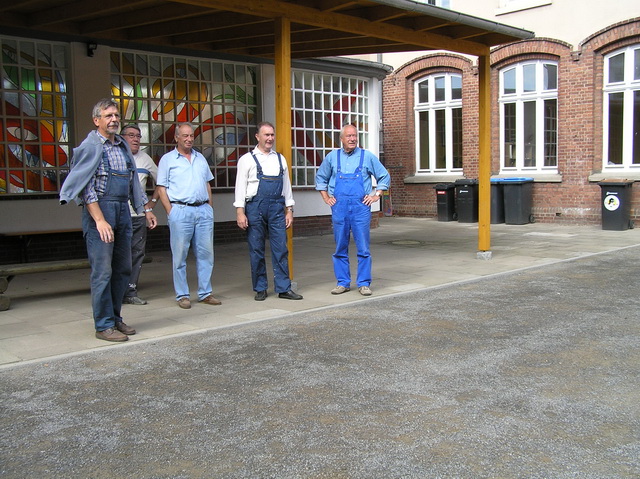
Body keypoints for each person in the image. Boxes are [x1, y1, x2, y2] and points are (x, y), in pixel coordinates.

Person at [59, 98, 157, 342]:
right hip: (100, 212)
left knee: (123, 268)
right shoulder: (90, 147)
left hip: (123, 211)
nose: (114, 120)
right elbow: (86, 188)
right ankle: (103, 325)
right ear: (97, 120)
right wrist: (100, 220)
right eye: (108, 116)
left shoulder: (122, 146)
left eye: (116, 115)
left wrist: (145, 209)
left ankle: (115, 318)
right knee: (103, 272)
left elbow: (133, 181)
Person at [315, 123, 390, 296]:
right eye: (348, 136)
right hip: (339, 207)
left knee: (363, 247)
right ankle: (343, 282)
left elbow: (384, 176)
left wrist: (376, 195)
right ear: (341, 139)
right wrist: (326, 198)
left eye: (354, 135)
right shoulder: (332, 157)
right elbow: (320, 178)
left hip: (360, 207)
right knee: (340, 246)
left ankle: (364, 283)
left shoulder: (367, 157)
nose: (352, 139)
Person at [234, 122, 303, 301]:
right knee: (256, 249)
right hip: (254, 208)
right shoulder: (246, 160)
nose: (270, 138)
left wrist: (289, 210)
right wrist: (240, 212)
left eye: (272, 135)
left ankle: (284, 288)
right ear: (257, 136)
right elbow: (240, 187)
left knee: (281, 248)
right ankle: (260, 288)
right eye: (266, 135)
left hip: (277, 209)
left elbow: (286, 187)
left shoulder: (280, 159)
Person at [156, 123, 221, 309]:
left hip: (203, 211)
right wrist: (171, 211)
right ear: (176, 137)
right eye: (185, 135)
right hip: (181, 210)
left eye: (191, 135)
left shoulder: (200, 158)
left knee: (206, 254)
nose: (189, 139)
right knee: (180, 256)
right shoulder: (168, 160)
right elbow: (161, 188)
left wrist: (209, 207)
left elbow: (207, 183)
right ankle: (182, 295)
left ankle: (205, 293)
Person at [121, 124, 158, 305]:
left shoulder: (145, 159)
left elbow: (161, 182)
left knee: (136, 254)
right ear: (122, 137)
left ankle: (130, 291)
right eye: (131, 135)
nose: (135, 139)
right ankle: (116, 291)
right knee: (118, 254)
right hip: (118, 215)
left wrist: (152, 204)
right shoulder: (116, 155)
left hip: (138, 216)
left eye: (138, 136)